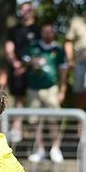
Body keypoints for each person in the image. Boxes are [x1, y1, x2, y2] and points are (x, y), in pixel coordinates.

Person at [23, 22, 68, 164]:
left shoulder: (59, 50)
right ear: (41, 33)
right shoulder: (33, 46)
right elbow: (24, 62)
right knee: (35, 120)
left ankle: (55, 148)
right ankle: (40, 149)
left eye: (50, 31)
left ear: (53, 33)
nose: (47, 34)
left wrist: (63, 89)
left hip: (51, 88)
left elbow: (64, 71)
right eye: (45, 31)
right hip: (33, 88)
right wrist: (32, 62)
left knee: (53, 119)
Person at [4, 0, 40, 143]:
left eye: (27, 10)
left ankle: (37, 141)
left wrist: (26, 66)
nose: (24, 13)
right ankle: (17, 129)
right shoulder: (14, 30)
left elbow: (41, 51)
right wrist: (16, 64)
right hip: (17, 71)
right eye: (22, 10)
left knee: (35, 102)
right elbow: (9, 49)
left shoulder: (38, 29)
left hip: (36, 73)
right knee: (18, 99)